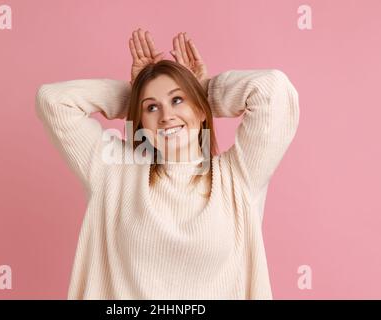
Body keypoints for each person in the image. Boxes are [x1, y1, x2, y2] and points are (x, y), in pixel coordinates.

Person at [35, 28, 300, 299]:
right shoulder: (114, 171)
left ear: (199, 109)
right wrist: (134, 95)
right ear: (140, 120)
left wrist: (205, 90)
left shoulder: (238, 176)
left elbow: (273, 89)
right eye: (151, 107)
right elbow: (54, 101)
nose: (166, 116)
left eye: (177, 100)